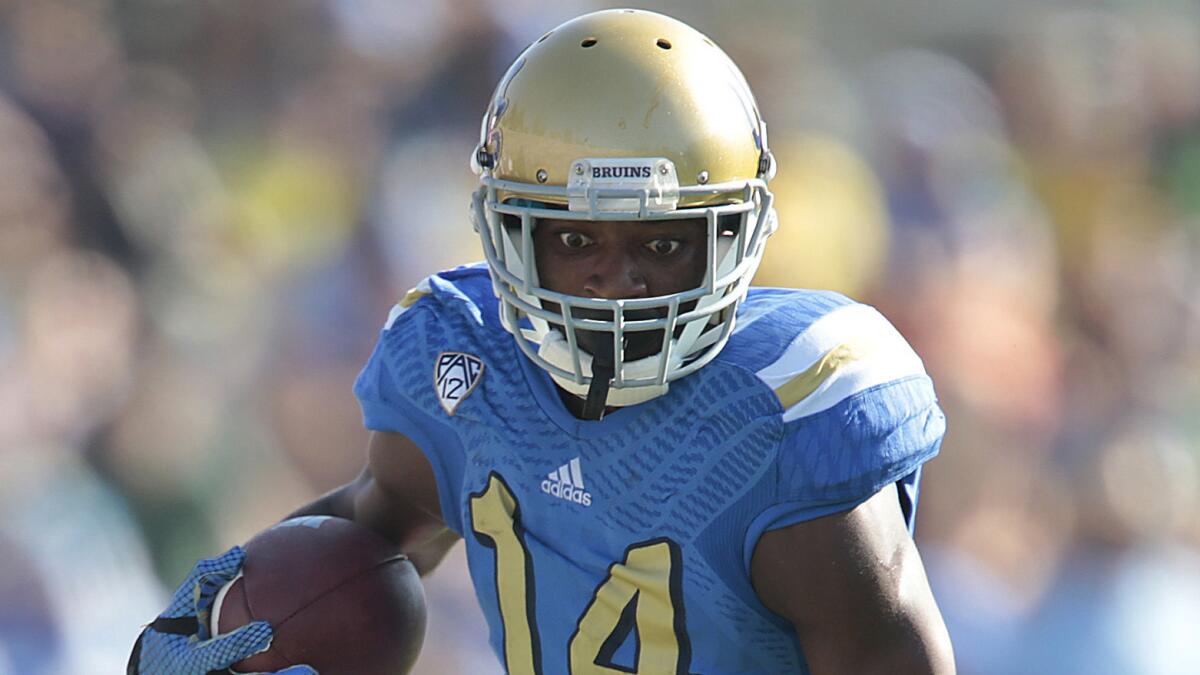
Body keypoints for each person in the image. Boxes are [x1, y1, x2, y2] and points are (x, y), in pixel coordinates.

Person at [130, 9, 955, 674]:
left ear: (734, 239)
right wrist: (239, 619)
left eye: (662, 244)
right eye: (576, 240)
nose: (616, 279)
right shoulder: (462, 361)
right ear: (509, 236)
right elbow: (376, 528)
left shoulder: (786, 415)